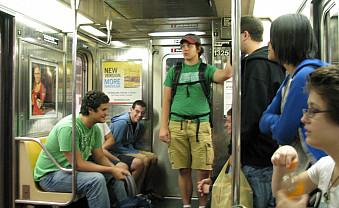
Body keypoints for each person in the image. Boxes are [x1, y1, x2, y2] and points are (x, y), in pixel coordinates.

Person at [159, 33, 231, 208]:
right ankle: (186, 205)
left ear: (198, 49)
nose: (185, 48)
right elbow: (166, 100)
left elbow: (226, 75)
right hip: (176, 124)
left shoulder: (206, 69)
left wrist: (232, 51)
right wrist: (163, 127)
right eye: (183, 45)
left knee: (203, 170)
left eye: (189, 45)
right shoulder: (174, 72)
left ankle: (202, 206)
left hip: (201, 125)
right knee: (183, 169)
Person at [224, 16, 285, 208]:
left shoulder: (257, 65)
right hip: (269, 149)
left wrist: (236, 150)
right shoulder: (272, 63)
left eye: (235, 36)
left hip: (256, 155)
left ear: (245, 35)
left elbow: (251, 112)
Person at [34, 90, 130, 208]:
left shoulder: (94, 128)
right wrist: (111, 170)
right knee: (96, 180)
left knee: (114, 177)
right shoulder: (69, 128)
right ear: (90, 109)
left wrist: (114, 169)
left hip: (70, 171)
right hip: (50, 176)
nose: (107, 113)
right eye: (103, 110)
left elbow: (99, 157)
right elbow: (78, 164)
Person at [259, 14, 328, 171]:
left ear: (286, 42)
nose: (269, 44)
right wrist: (284, 122)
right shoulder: (291, 76)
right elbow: (263, 121)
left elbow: (283, 134)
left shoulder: (304, 77)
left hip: (311, 165)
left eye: (273, 38)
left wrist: (284, 124)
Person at [272, 65, 339, 208]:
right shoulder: (327, 166)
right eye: (307, 109)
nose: (304, 119)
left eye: (313, 111)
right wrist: (282, 167)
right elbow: (282, 193)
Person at [107, 100, 159, 197]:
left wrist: (134, 151)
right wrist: (134, 153)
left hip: (128, 148)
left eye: (142, 113)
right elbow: (115, 146)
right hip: (116, 151)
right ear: (131, 110)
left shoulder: (136, 122)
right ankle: (135, 193)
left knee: (153, 158)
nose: (139, 115)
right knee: (145, 160)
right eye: (137, 111)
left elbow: (130, 142)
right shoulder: (122, 123)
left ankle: (147, 189)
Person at [197, 108, 232, 208]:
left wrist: (212, 188)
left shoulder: (241, 149)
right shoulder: (233, 144)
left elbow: (236, 181)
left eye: (229, 121)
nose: (225, 125)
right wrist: (213, 180)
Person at [98, 122, 145, 193]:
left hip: (107, 152)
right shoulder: (121, 123)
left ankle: (133, 193)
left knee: (138, 163)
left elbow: (111, 140)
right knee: (122, 167)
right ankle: (124, 197)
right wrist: (116, 160)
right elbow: (98, 152)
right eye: (103, 110)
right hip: (100, 155)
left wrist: (103, 148)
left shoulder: (102, 123)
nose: (106, 113)